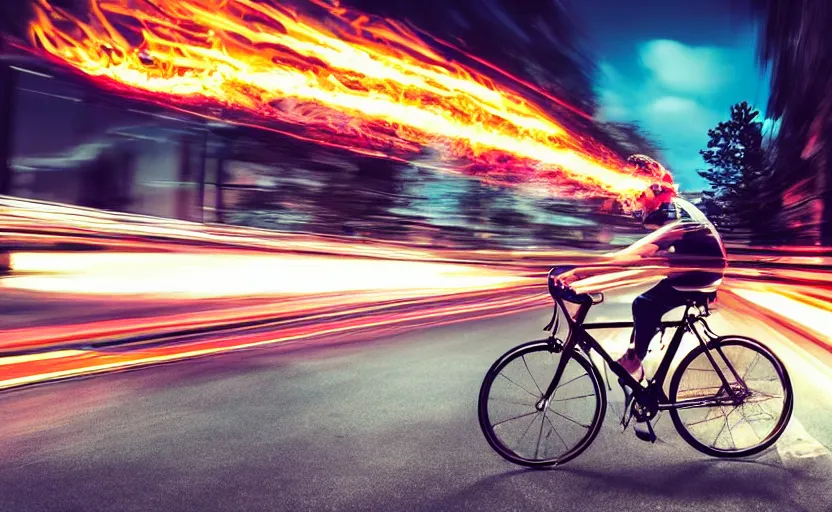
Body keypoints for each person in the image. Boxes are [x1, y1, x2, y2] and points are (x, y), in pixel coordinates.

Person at [613, 155, 728, 381]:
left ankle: (635, 362)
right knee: (646, 307)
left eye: (639, 192)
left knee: (644, 304)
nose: (636, 199)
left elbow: (641, 251)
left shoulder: (670, 212)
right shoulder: (672, 206)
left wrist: (582, 272)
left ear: (654, 188)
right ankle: (640, 351)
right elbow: (652, 252)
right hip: (699, 269)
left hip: (701, 273)